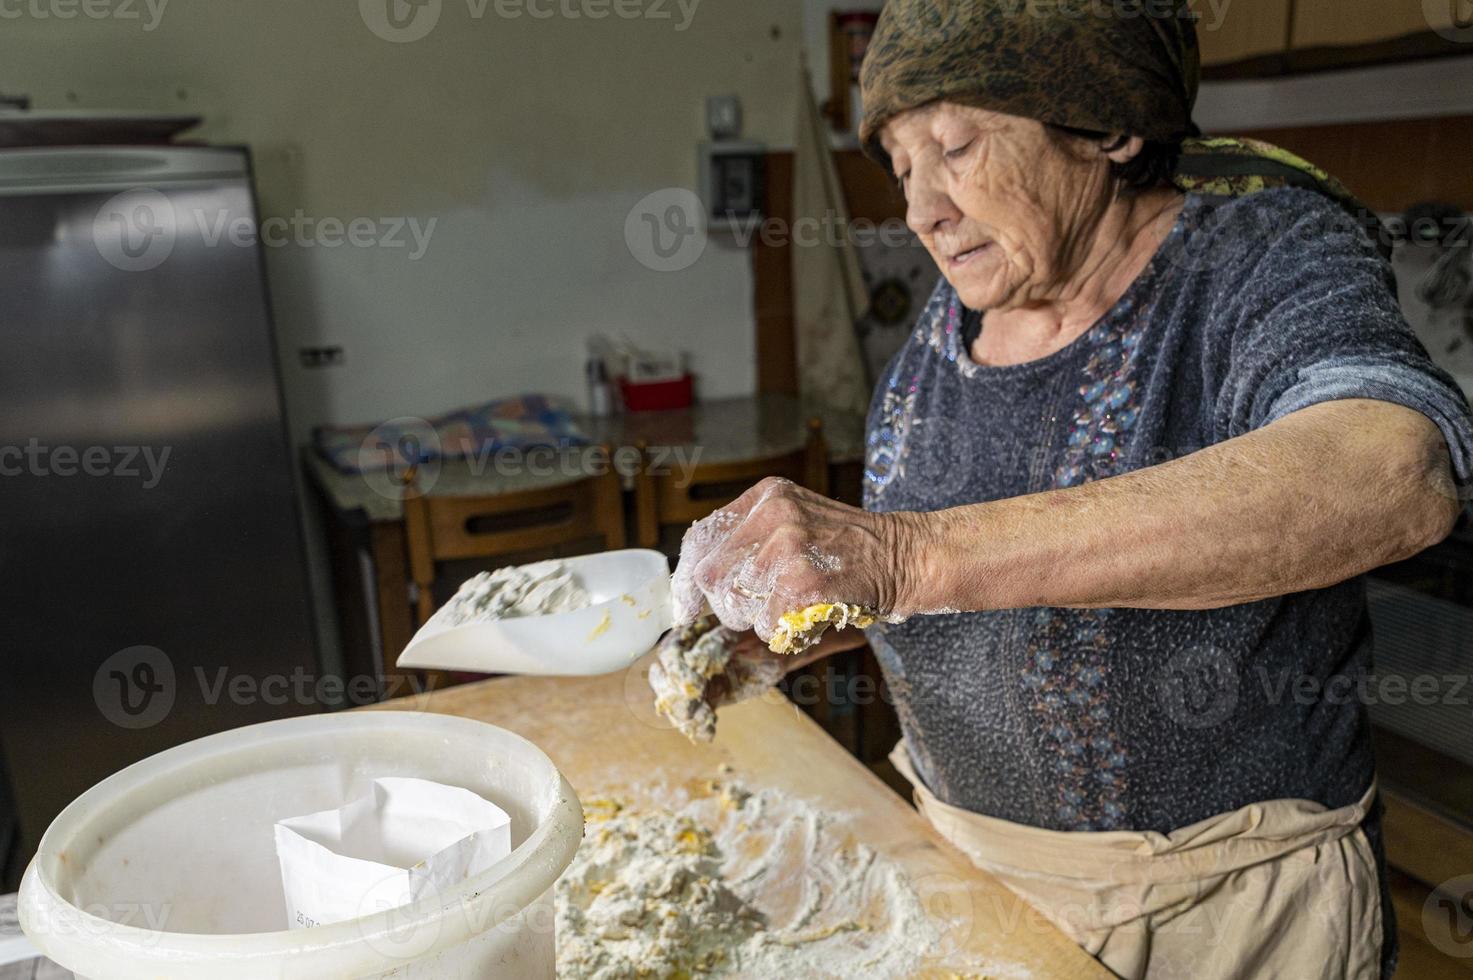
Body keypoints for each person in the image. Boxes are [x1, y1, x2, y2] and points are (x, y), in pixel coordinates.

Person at [666, 2, 1473, 977]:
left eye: (956, 147)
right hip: (974, 879)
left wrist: (902, 556)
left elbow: (1392, 469)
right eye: (902, 165)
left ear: (1108, 125)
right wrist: (838, 606)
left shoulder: (1256, 253)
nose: (922, 209)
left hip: (1223, 915)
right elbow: (966, 571)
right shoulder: (966, 305)